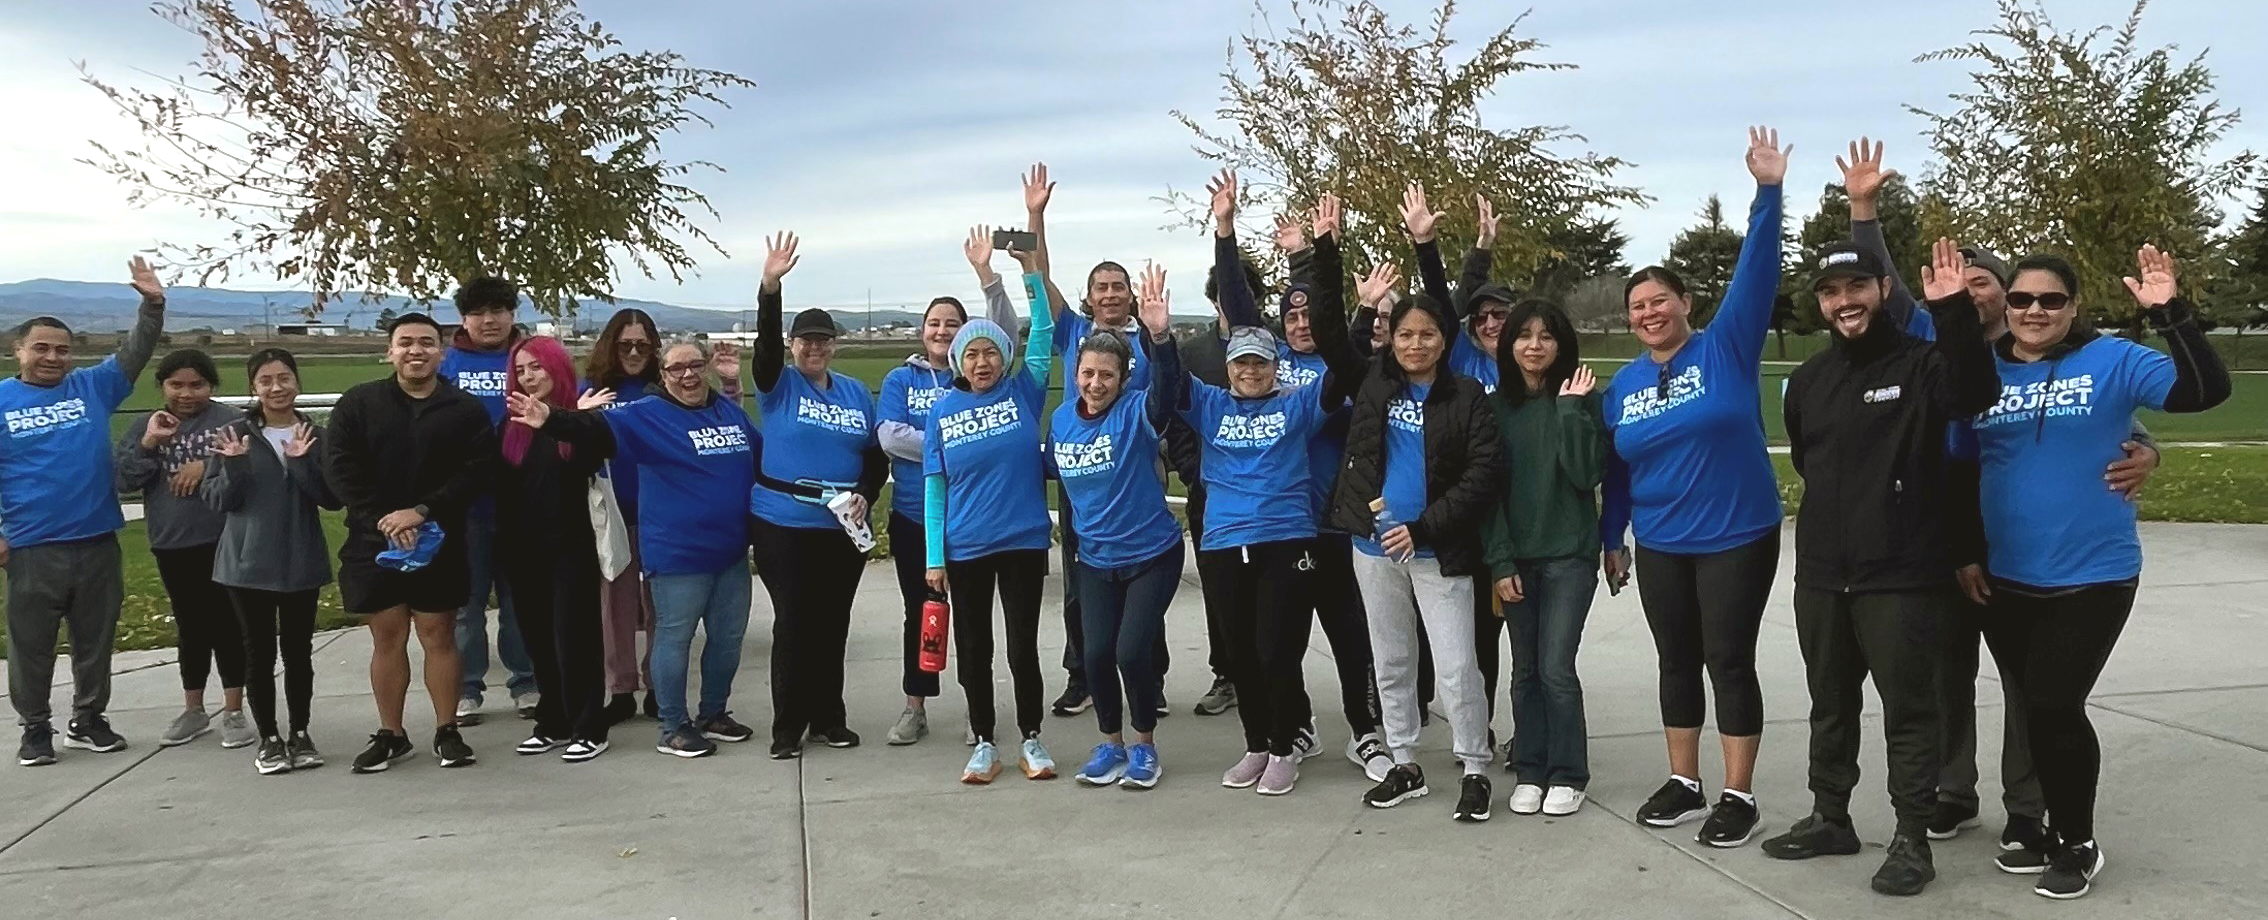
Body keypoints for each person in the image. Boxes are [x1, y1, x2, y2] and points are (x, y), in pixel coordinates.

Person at [1969, 246, 2228, 900]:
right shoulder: (1976, 375)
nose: (2034, 311)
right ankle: (2033, 824)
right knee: (2034, 708)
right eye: (2022, 299)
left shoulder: (2112, 360)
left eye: (2050, 300)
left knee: (2057, 702)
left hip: (2092, 573)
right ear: (2006, 304)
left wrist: (2170, 313)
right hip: (2005, 576)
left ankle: (2076, 839)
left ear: (2074, 306)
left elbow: (2204, 391)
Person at [1763, 236, 2000, 896]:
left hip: (1901, 577)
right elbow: (1813, 464)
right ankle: (1829, 817)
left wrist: (1953, 309)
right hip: (1822, 576)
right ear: (1821, 303)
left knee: (1909, 715)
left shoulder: (1925, 364)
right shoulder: (1809, 380)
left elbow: (1976, 391)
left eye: (1856, 288)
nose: (1845, 302)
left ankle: (1912, 839)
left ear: (1883, 291)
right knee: (1829, 706)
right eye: (1832, 293)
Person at [1602, 127, 1788, 848]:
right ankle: (1686, 781)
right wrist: (1609, 537)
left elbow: (1758, 272)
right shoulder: (1623, 385)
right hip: (1661, 543)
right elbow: (1618, 467)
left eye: (1660, 300)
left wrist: (1767, 192)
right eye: (1637, 307)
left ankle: (1738, 794)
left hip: (1736, 536)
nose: (1649, 312)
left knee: (1728, 660)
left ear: (1685, 302)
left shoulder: (1728, 348)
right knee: (1675, 660)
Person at [1170, 174, 1359, 797]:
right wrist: (1158, 334)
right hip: (1225, 541)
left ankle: (1286, 746)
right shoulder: (1211, 404)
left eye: (1260, 362)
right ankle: (1258, 743)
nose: (1250, 371)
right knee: (1243, 653)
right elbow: (1171, 388)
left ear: (1275, 367)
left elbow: (1336, 356)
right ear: (1229, 369)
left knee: (1279, 649)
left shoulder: (1300, 405)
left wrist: (1322, 255)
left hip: (1289, 538)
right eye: (1241, 363)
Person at [1325, 219, 1506, 822]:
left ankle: (1475, 767)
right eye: (1405, 333)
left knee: (1457, 666)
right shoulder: (1375, 382)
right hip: (1374, 554)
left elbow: (1481, 478)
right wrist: (1324, 251)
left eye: (1428, 334)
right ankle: (1404, 762)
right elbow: (1329, 333)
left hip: (1439, 553)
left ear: (1442, 339)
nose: (1417, 344)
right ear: (1391, 339)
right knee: (1393, 661)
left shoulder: (1467, 398)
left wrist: (1422, 528)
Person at [523, 335, 761, 759]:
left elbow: (756, 454)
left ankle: (713, 712)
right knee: (674, 637)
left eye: (694, 366)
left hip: (730, 552)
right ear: (662, 373)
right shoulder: (646, 415)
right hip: (679, 554)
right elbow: (594, 427)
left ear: (705, 366)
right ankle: (673, 725)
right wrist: (552, 418)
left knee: (727, 638)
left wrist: (732, 386)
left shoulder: (726, 411)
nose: (687, 375)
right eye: (675, 368)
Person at [5, 257, 166, 767]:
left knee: (94, 642)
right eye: (42, 348)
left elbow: (136, 352)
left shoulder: (92, 388)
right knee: (31, 646)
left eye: (62, 350)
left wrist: (152, 305)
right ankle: (34, 728)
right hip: (32, 547)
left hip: (97, 540)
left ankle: (88, 718)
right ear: (18, 351)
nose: (53, 357)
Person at [1025, 164, 1170, 719]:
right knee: (1082, 583)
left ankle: (1147, 679)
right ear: (1088, 298)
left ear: (1132, 294)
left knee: (1142, 578)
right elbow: (1040, 277)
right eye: (1101, 288)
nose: (1110, 294)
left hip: (1138, 464)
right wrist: (1036, 215)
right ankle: (1083, 674)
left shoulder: (1149, 339)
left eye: (1118, 286)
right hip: (1080, 466)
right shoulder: (1073, 333)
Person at [874, 227, 1028, 746]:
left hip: (975, 524)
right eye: (934, 324)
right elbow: (890, 436)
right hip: (918, 516)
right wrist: (954, 442)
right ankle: (915, 704)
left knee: (974, 628)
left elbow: (1005, 330)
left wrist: (988, 276)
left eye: (953, 324)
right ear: (924, 332)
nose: (943, 331)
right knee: (922, 614)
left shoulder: (985, 374)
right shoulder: (903, 380)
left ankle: (974, 712)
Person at [324, 311, 496, 772]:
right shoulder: (358, 404)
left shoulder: (464, 410)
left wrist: (421, 512)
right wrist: (383, 519)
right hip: (372, 540)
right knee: (387, 635)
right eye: (406, 342)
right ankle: (392, 734)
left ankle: (447, 730)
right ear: (390, 351)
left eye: (426, 342)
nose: (415, 350)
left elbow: (476, 470)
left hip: (438, 538)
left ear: (441, 352)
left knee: (439, 632)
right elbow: (341, 467)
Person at [744, 234, 889, 760]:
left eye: (823, 340)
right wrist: (770, 288)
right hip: (784, 520)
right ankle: (788, 725)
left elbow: (874, 455)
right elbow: (762, 347)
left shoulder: (853, 392)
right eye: (804, 340)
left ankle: (830, 717)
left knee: (833, 622)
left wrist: (866, 494)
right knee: (796, 619)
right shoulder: (777, 383)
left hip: (840, 525)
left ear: (834, 344)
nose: (813, 347)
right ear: (792, 343)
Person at [922, 239, 1058, 784]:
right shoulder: (942, 410)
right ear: (958, 361)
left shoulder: (1023, 392)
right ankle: (983, 740)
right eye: (971, 354)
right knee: (974, 648)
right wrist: (935, 559)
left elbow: (1043, 334)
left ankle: (1031, 736)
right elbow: (936, 490)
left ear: (1004, 358)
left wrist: (1030, 274)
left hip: (1023, 541)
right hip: (966, 546)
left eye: (991, 352)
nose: (982, 361)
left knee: (1023, 647)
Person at [1478, 299, 1614, 819]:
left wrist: (1567, 409)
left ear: (1562, 346)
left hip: (1569, 558)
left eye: (1546, 336)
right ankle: (1530, 768)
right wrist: (1500, 561)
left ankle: (1568, 772)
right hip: (1516, 560)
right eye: (1523, 335)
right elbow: (1487, 495)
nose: (1534, 345)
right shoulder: (1493, 409)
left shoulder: (1584, 401)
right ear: (1508, 345)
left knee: (1557, 668)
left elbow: (1585, 475)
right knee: (1524, 672)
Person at [1270, 216, 1392, 781]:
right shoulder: (1268, 370)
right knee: (1286, 637)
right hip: (1289, 526)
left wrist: (1320, 262)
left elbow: (1339, 340)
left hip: (1344, 525)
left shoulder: (1346, 365)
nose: (1301, 324)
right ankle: (1298, 726)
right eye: (1290, 317)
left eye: (1308, 315)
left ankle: (1366, 731)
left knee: (1352, 635)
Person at [1058, 264, 1186, 789]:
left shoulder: (1138, 410)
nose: (1095, 383)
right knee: (1093, 655)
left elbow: (1168, 393)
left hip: (1151, 553)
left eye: (1106, 375)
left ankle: (1144, 747)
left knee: (1132, 651)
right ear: (1076, 374)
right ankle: (1109, 744)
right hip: (1095, 559)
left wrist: (1159, 336)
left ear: (1123, 378)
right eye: (1087, 373)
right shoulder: (1064, 418)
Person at [201, 347, 340, 774]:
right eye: (266, 380)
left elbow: (332, 499)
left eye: (284, 378)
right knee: (257, 653)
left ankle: (300, 732)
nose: (276, 387)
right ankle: (270, 739)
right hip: (246, 564)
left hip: (300, 561)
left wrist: (300, 464)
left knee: (299, 652)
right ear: (253, 387)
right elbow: (217, 499)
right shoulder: (233, 433)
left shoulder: (315, 435)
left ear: (297, 382)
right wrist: (235, 467)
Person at [115, 348, 254, 749]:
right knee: (191, 625)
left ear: (211, 386)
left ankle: (233, 710)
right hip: (172, 541)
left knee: (229, 624)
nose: (187, 393)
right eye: (177, 385)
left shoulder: (232, 422)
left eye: (197, 385)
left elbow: (255, 471)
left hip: (225, 539)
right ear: (162, 386)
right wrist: (148, 443)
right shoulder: (148, 424)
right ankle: (193, 709)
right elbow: (124, 480)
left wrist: (208, 464)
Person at [494, 336, 614, 763]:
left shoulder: (582, 418)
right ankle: (553, 720)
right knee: (539, 640)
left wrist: (560, 420)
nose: (528, 377)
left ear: (556, 368)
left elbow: (596, 450)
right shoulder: (510, 425)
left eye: (537, 368)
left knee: (573, 638)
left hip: (570, 549)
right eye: (521, 370)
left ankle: (589, 725)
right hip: (523, 551)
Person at [440, 276, 537, 723]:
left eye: (498, 310)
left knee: (519, 602)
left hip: (522, 501)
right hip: (465, 508)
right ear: (464, 319)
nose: (489, 319)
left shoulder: (528, 360)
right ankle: (467, 687)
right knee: (467, 604)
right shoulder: (448, 364)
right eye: (479, 312)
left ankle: (526, 680)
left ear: (512, 315)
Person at [581, 308, 663, 724]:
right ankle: (621, 687)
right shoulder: (593, 388)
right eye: (625, 344)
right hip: (613, 511)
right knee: (615, 603)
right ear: (611, 345)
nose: (633, 352)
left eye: (642, 345)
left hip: (661, 512)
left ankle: (658, 683)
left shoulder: (662, 387)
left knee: (659, 605)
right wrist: (578, 414)